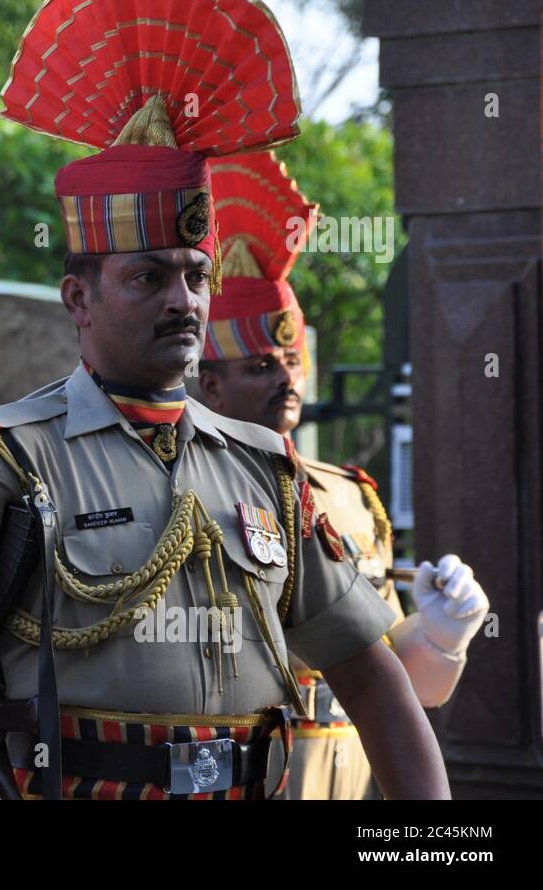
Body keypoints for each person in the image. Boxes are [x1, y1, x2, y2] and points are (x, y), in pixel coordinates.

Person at [0, 0, 451, 800]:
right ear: (79, 296)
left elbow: (372, 677)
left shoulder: (267, 471)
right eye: (147, 277)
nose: (182, 299)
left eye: (194, 274)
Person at [194, 151, 489, 799]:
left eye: (291, 360)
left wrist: (441, 636)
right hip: (247, 770)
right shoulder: (187, 486)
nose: (285, 379)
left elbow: (407, 684)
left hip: (350, 771)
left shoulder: (351, 498)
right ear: (210, 385)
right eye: (260, 365)